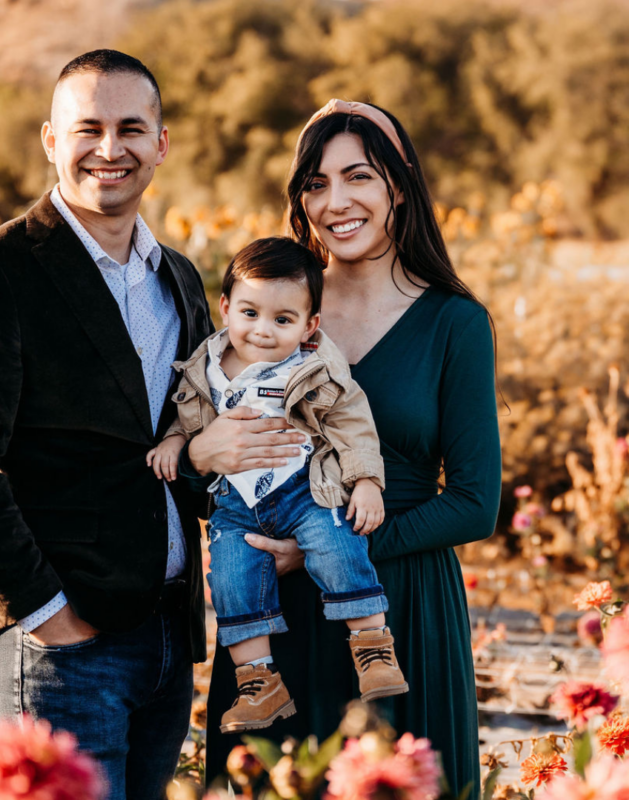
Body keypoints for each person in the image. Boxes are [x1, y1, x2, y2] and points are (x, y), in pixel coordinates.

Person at [0, 49, 306, 800]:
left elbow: (189, 439)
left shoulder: (180, 278)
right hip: (59, 647)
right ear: (49, 140)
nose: (110, 148)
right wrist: (45, 614)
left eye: (132, 127)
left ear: (161, 143)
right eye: (87, 127)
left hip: (167, 638)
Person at [190, 101, 501, 798]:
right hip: (274, 613)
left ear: (398, 184)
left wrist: (332, 547)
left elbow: (477, 505)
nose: (335, 202)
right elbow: (204, 439)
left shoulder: (454, 322)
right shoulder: (271, 305)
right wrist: (203, 453)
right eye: (315, 184)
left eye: (357, 176)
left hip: (401, 608)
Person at [148, 236, 407, 735]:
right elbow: (189, 413)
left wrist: (368, 481)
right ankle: (258, 683)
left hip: (303, 490)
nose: (263, 331)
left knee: (337, 544)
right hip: (235, 502)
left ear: (310, 325)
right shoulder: (205, 365)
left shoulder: (311, 366)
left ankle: (373, 647)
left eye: (283, 320)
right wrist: (177, 441)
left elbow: (351, 422)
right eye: (249, 313)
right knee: (228, 578)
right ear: (225, 307)